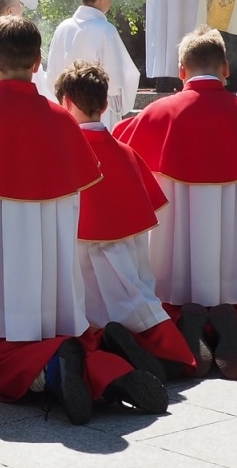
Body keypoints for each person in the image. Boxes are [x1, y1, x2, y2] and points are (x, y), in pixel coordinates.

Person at [0, 16, 167, 422]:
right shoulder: (64, 124)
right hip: (50, 295)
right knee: (63, 337)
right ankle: (108, 367)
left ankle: (56, 369)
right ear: (38, 62)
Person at [114, 29, 237, 380]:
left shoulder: (155, 114)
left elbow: (126, 168)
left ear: (181, 71)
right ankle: (231, 324)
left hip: (173, 260)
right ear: (226, 68)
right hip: (234, 259)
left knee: (169, 304)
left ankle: (187, 323)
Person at [54, 62, 196, 382]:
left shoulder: (60, 153)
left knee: (78, 322)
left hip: (77, 264)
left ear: (65, 102)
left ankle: (107, 350)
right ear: (105, 105)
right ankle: (161, 351)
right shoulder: (126, 152)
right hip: (127, 264)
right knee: (140, 307)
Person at [45, 0, 140, 126]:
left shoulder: (62, 28)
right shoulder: (106, 30)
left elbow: (52, 76)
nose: (111, 0)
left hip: (66, 110)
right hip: (98, 112)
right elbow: (117, 80)